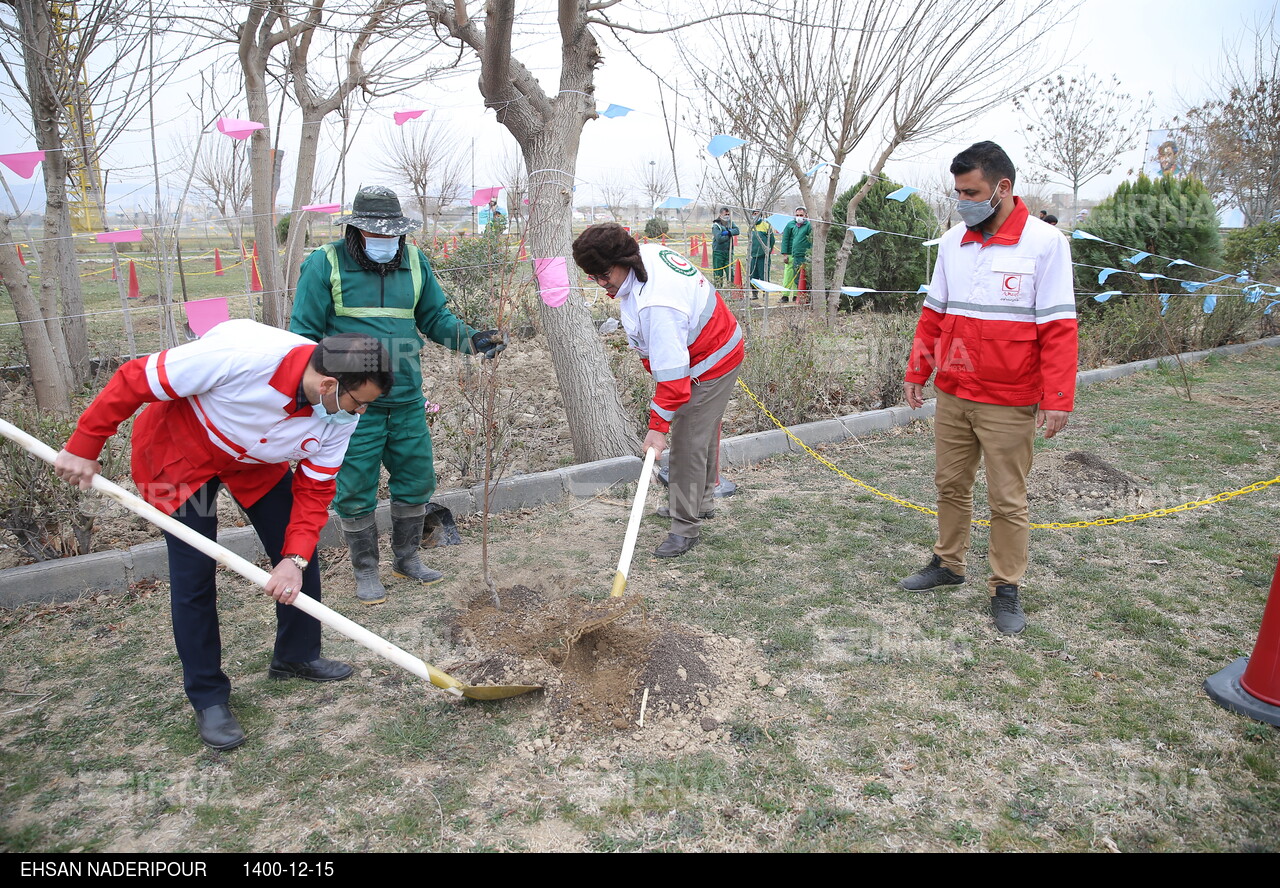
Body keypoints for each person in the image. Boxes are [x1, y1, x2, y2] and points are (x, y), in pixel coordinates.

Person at [53, 320, 393, 750]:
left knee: (295, 548)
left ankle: (297, 654)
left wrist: (296, 559)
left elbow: (315, 490)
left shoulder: (338, 414)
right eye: (358, 403)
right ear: (327, 383)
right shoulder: (240, 357)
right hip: (179, 461)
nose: (359, 414)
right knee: (194, 572)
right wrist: (85, 445)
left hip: (255, 464)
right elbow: (134, 379)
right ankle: (209, 697)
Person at [291, 186, 505, 606]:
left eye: (392, 235)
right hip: (352, 406)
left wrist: (473, 340)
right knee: (355, 486)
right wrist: (315, 396)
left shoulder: (415, 262)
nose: (386, 242)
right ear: (356, 231)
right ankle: (365, 569)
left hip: (406, 397)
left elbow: (435, 317)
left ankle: (406, 557)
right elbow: (303, 335)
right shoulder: (325, 264)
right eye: (376, 234)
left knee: (416, 478)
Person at [900, 141, 1077, 635]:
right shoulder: (955, 240)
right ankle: (948, 563)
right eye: (957, 192)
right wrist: (919, 371)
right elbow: (934, 314)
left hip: (1010, 399)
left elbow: (1059, 326)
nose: (963, 201)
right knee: (950, 485)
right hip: (954, 393)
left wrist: (1058, 396)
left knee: (1007, 499)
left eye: (971, 191)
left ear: (1003, 188)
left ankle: (1005, 588)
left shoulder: (1045, 244)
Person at [572, 223, 744, 558]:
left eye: (604, 274)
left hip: (712, 360)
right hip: (702, 352)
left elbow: (674, 379)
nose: (601, 283)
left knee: (686, 440)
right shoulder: (642, 259)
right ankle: (701, 502)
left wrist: (657, 427)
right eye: (593, 277)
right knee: (700, 432)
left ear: (624, 259)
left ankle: (685, 527)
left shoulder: (658, 304)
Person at [780, 207, 811, 303]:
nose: (799, 217)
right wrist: (785, 254)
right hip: (790, 254)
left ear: (806, 215)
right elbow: (785, 240)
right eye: (797, 215)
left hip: (801, 255)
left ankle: (796, 295)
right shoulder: (790, 225)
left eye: (801, 215)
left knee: (798, 275)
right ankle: (785, 295)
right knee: (788, 275)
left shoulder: (808, 226)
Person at [747, 209, 775, 294]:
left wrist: (768, 251)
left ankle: (764, 293)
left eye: (758, 214)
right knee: (753, 276)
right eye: (754, 214)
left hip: (763, 256)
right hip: (753, 255)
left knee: (764, 275)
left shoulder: (766, 225)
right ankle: (754, 293)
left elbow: (772, 240)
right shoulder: (751, 226)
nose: (756, 215)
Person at [710, 207, 739, 288]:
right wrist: (729, 236)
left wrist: (729, 232)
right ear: (720, 214)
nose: (727, 216)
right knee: (718, 274)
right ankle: (719, 291)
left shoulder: (730, 223)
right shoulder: (716, 225)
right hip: (718, 252)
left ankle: (732, 290)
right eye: (725, 214)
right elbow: (719, 238)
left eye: (728, 214)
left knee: (730, 273)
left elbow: (737, 230)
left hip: (729, 252)